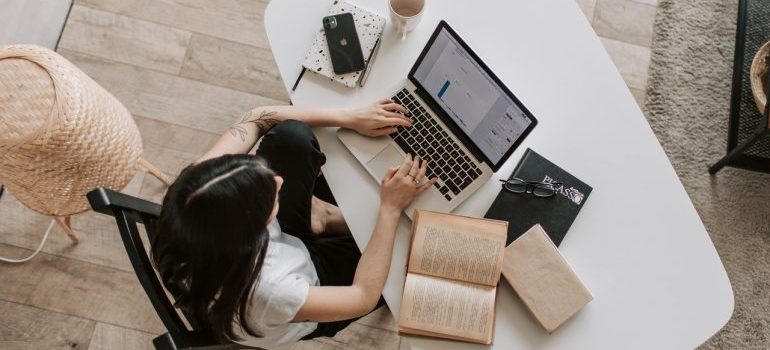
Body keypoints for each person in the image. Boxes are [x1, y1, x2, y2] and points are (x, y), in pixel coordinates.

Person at [152, 99, 436, 349]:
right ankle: (324, 219)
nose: (278, 180)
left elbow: (256, 117)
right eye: (269, 196)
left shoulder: (194, 192)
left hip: (271, 252)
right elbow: (362, 295)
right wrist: (389, 209)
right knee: (412, 252)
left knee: (291, 137)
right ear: (252, 230)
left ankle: (320, 219)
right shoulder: (273, 291)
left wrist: (348, 116)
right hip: (311, 286)